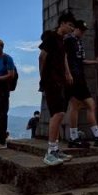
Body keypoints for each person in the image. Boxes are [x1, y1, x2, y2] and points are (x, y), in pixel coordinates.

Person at [39, 10, 76, 166]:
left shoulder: (62, 40)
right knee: (58, 113)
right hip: (51, 80)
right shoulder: (51, 36)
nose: (71, 29)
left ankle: (55, 149)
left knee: (60, 112)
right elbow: (42, 56)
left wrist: (68, 73)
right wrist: (44, 77)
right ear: (62, 24)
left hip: (60, 80)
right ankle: (50, 152)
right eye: (70, 25)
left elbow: (64, 57)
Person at [64, 20, 98, 147]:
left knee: (87, 105)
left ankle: (95, 136)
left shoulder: (78, 41)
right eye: (81, 30)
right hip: (73, 76)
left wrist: (94, 62)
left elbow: (81, 60)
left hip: (80, 76)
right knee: (77, 105)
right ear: (75, 28)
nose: (83, 32)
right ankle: (75, 137)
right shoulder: (69, 40)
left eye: (84, 30)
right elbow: (64, 57)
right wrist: (68, 73)